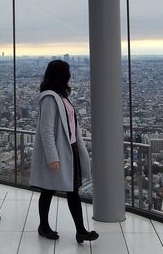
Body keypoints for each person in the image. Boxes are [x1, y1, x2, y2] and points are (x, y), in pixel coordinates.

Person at [29, 60, 98, 244]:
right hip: (60, 151)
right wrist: (52, 156)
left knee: (71, 190)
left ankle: (80, 231)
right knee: (49, 190)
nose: (70, 75)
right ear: (62, 75)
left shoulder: (62, 96)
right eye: (67, 72)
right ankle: (45, 226)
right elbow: (46, 130)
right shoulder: (50, 98)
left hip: (70, 149)